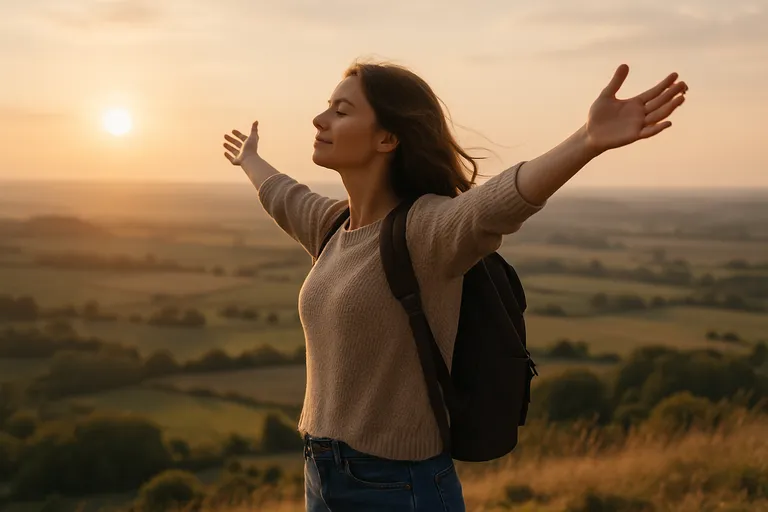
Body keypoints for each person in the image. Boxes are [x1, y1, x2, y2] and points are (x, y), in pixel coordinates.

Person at [222, 60, 687, 512]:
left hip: (397, 486)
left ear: (388, 138)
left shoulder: (427, 232)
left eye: (341, 111)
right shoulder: (332, 226)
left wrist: (587, 140)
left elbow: (500, 201)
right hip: (321, 475)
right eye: (328, 106)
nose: (320, 118)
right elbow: (283, 194)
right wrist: (251, 159)